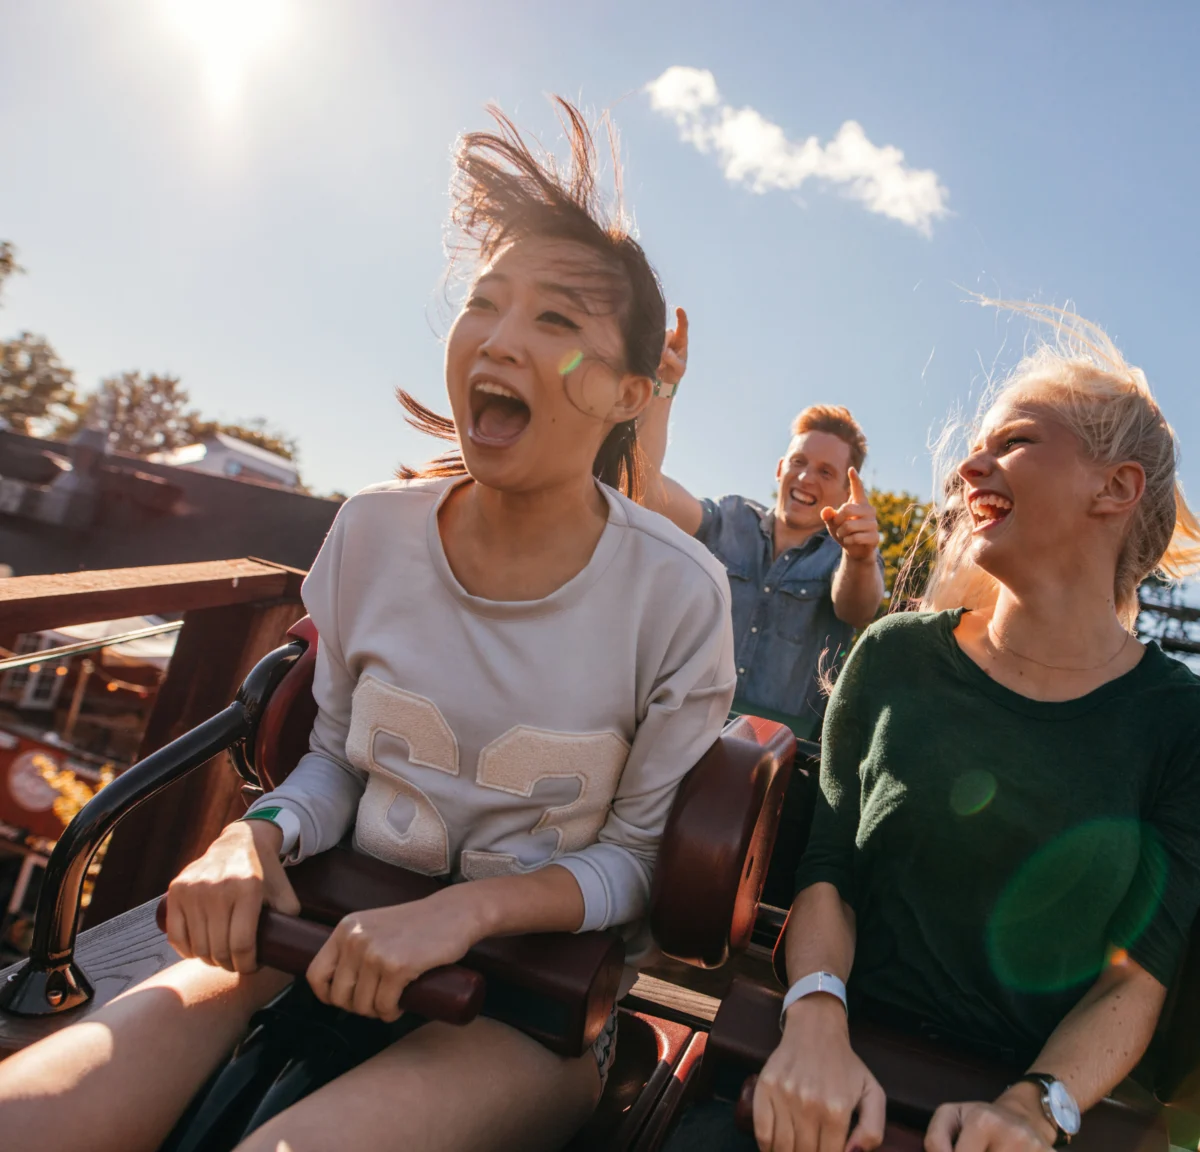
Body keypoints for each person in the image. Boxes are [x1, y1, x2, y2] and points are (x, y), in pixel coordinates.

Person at [0, 101, 735, 1152]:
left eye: (557, 322)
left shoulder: (679, 593)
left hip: (528, 1006)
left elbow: (635, 868)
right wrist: (253, 837)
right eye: (486, 301)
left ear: (629, 392)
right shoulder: (371, 533)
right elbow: (339, 760)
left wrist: (467, 913)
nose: (501, 336)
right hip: (313, 929)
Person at [669, 305, 1200, 1152]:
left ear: (1115, 488)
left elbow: (1137, 975)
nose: (971, 465)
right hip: (833, 1067)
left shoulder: (1189, 725)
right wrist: (817, 1023)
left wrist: (1034, 1108)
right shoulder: (897, 656)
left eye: (1013, 443)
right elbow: (831, 871)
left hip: (1014, 1109)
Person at [637, 320, 886, 734]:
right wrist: (663, 386)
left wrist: (859, 558)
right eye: (799, 462)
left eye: (826, 472)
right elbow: (645, 492)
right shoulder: (731, 517)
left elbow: (857, 609)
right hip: (679, 728)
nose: (806, 478)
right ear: (779, 468)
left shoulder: (846, 554)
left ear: (846, 491)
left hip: (780, 757)